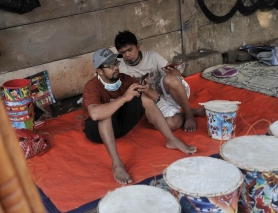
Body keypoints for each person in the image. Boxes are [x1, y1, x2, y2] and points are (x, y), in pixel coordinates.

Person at [82, 48, 197, 185]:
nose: (116, 68)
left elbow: (154, 98)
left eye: (116, 63)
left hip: (119, 125)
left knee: (144, 98)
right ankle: (117, 163)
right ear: (100, 71)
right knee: (104, 113)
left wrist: (146, 89)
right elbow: (95, 114)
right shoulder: (92, 86)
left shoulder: (125, 79)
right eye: (111, 66)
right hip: (98, 132)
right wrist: (124, 98)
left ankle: (171, 140)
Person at [114, 30, 205, 132]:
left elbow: (177, 78)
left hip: (173, 94)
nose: (127, 55)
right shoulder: (119, 67)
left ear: (138, 46)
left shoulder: (152, 56)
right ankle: (191, 112)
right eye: (122, 53)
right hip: (155, 101)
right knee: (170, 124)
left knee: (169, 79)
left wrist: (174, 72)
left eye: (130, 50)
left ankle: (188, 115)